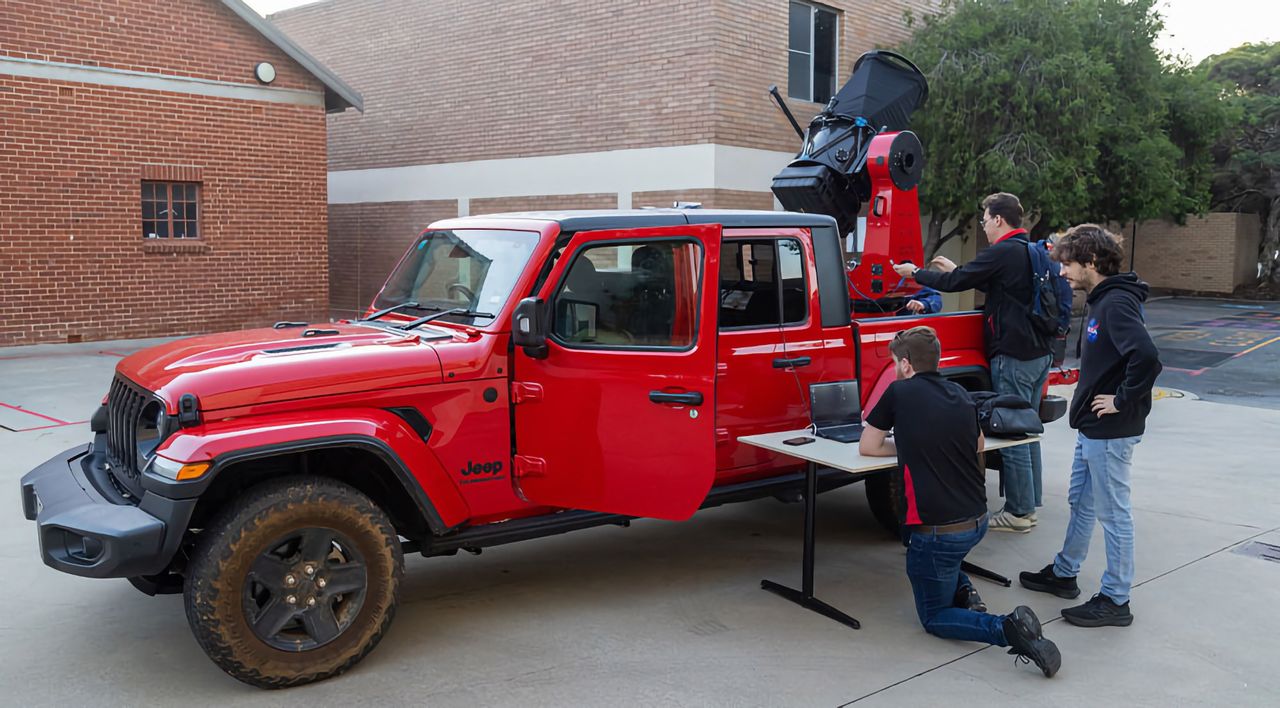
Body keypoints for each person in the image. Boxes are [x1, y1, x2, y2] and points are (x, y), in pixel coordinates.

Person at [860, 326, 1061, 677]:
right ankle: (966, 592)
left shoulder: (898, 392)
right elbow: (979, 444)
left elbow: (868, 446)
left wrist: (906, 447)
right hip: (977, 521)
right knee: (934, 552)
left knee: (934, 616)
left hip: (937, 532)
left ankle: (1007, 628)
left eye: (895, 363)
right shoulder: (959, 392)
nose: (894, 369)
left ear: (906, 365)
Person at [1019, 224, 1161, 627]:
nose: (1062, 273)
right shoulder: (1104, 300)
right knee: (1081, 502)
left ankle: (1116, 600)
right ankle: (1065, 573)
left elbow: (1147, 358)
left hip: (1111, 431)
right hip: (1093, 427)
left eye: (1068, 264)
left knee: (1114, 514)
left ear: (1092, 262)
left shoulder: (1115, 303)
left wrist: (1120, 399)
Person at [892, 192, 1051, 533]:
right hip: (1039, 353)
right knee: (1028, 427)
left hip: (1013, 354)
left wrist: (915, 273)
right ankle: (1029, 502)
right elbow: (973, 277)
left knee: (1012, 431)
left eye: (984, 220)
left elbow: (954, 283)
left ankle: (1020, 511)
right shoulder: (1030, 251)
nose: (983, 226)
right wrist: (957, 271)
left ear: (998, 220)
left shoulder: (1003, 252)